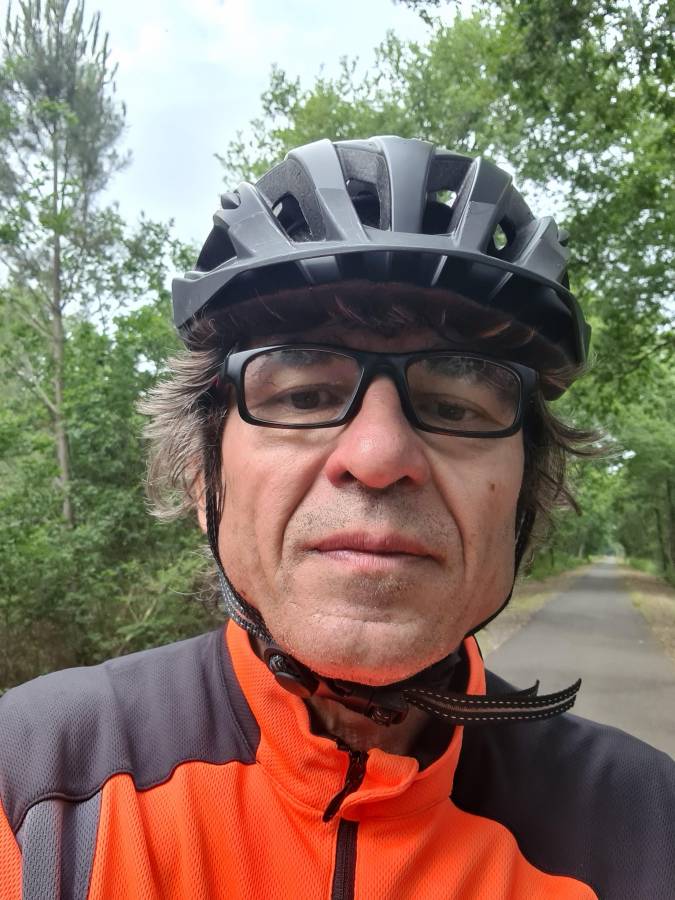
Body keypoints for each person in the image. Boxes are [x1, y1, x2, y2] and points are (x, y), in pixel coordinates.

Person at [1, 135, 673, 899]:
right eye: (303, 396)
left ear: (526, 491)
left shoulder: (647, 830)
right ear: (201, 473)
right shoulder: (34, 792)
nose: (378, 457)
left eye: (454, 406)